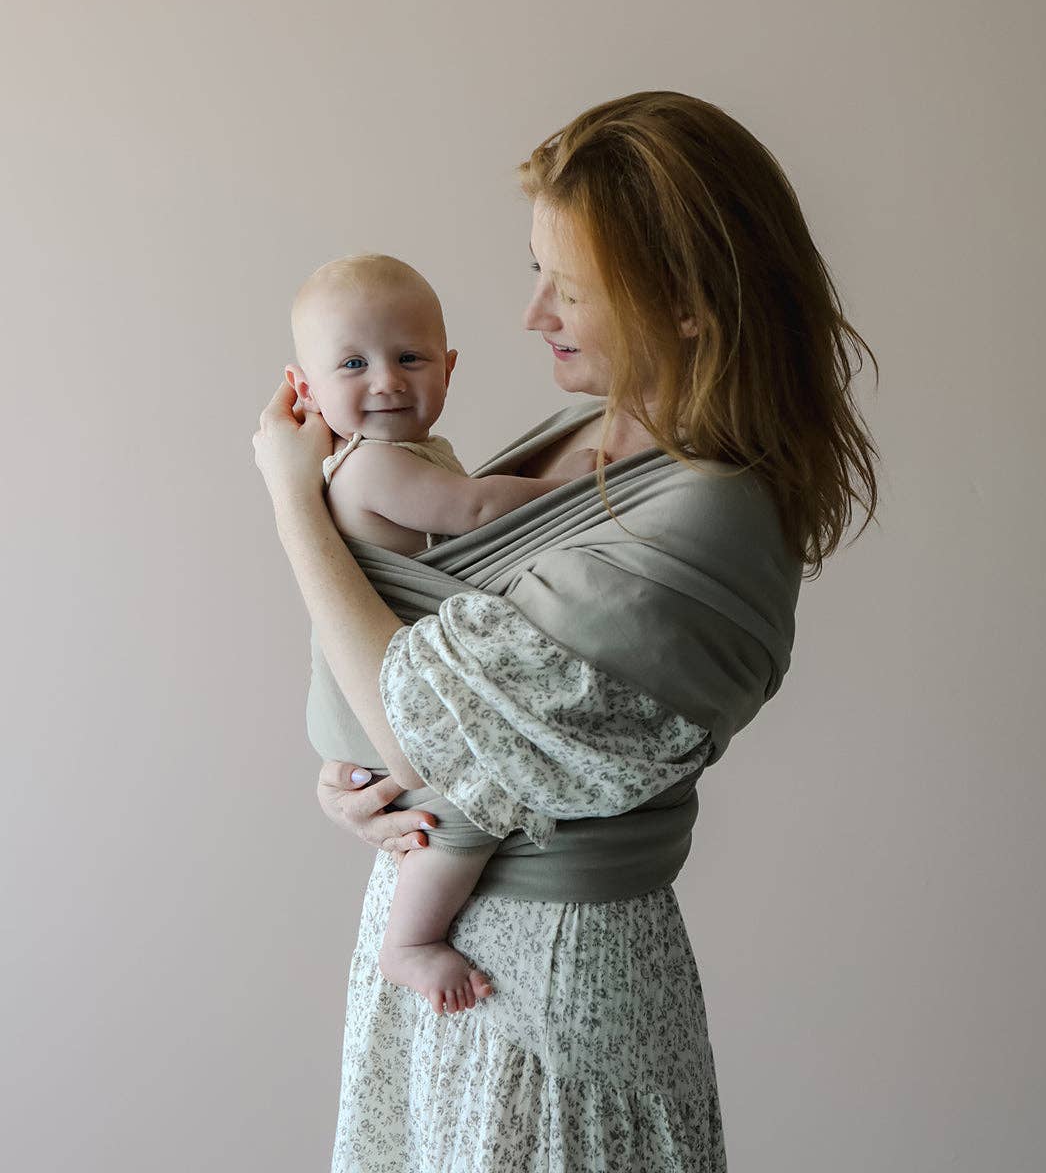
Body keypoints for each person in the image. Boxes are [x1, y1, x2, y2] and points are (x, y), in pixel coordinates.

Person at [253, 89, 879, 1173]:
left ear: (685, 305)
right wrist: (362, 787)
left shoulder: (710, 518)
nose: (533, 313)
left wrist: (290, 498)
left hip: (541, 1002)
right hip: (446, 961)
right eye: (536, 270)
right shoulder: (595, 423)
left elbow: (433, 733)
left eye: (570, 288)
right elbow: (445, 689)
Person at [286, 252, 610, 1014]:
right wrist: (567, 487)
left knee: (462, 791)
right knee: (464, 806)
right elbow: (474, 511)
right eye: (354, 364)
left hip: (376, 673)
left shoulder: (406, 453)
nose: (387, 382)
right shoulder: (369, 467)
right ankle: (410, 941)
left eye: (410, 358)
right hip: (366, 694)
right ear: (306, 391)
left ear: (449, 368)